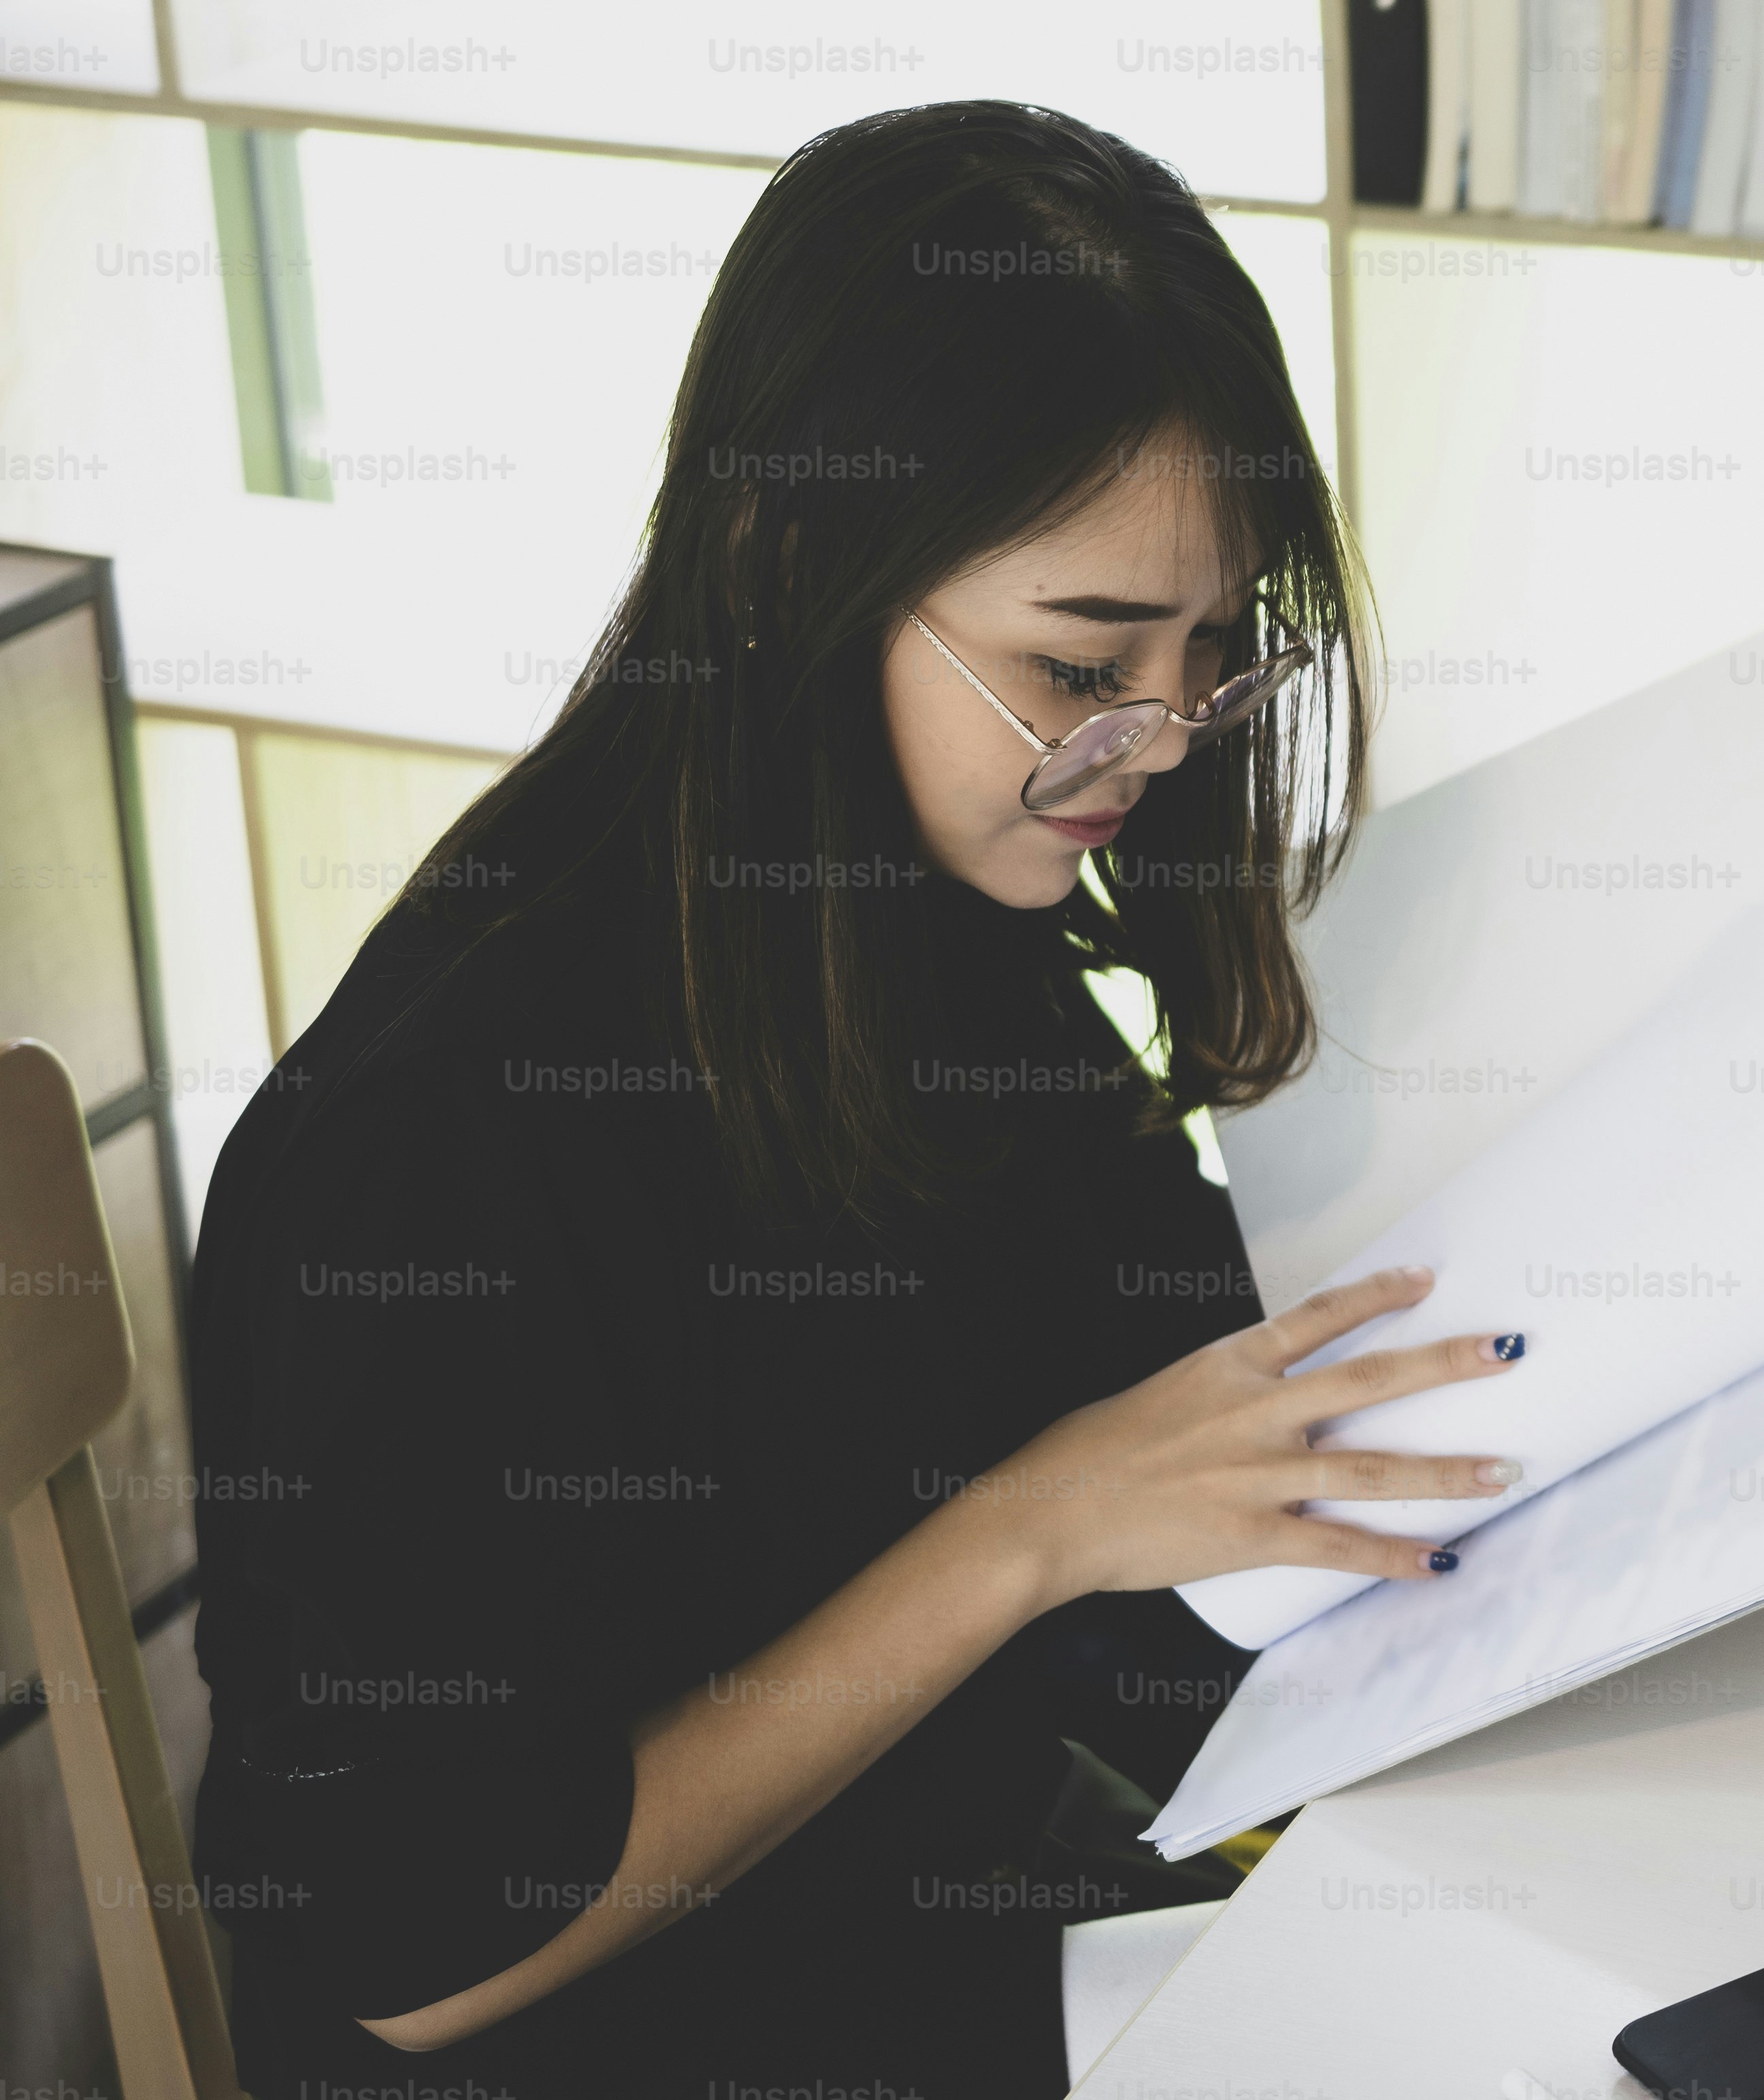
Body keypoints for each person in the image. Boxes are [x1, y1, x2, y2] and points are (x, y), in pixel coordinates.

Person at [186, 101, 1523, 2092]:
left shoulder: (934, 905)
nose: (1153, 745)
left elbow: (1179, 1417)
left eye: (1214, 661)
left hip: (948, 1949)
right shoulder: (447, 1133)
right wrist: (1022, 1535)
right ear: (792, 556)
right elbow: (408, 1952)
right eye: (1079, 669)